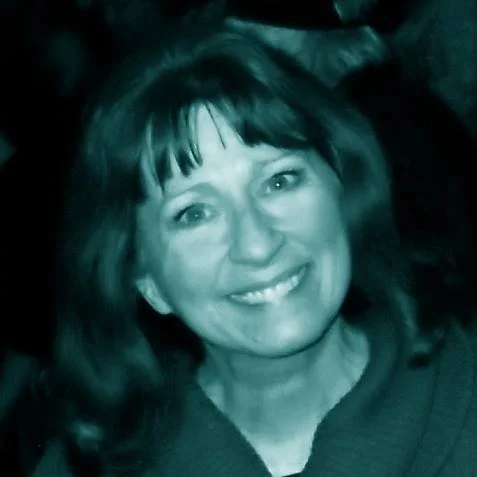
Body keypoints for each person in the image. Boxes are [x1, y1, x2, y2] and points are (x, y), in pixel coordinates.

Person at [31, 19, 477, 477]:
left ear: (343, 193)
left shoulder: (461, 388)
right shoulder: (91, 464)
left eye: (279, 181)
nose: (257, 244)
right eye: (194, 213)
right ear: (146, 279)